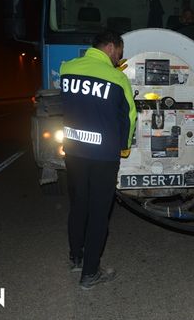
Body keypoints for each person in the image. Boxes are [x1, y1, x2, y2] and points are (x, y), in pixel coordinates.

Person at [59, 30, 136, 290]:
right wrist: (124, 147)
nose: (119, 58)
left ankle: (76, 258)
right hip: (103, 156)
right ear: (112, 48)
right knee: (99, 213)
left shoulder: (67, 69)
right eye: (119, 53)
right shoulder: (117, 78)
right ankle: (90, 273)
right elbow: (129, 116)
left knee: (78, 205)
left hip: (73, 150)